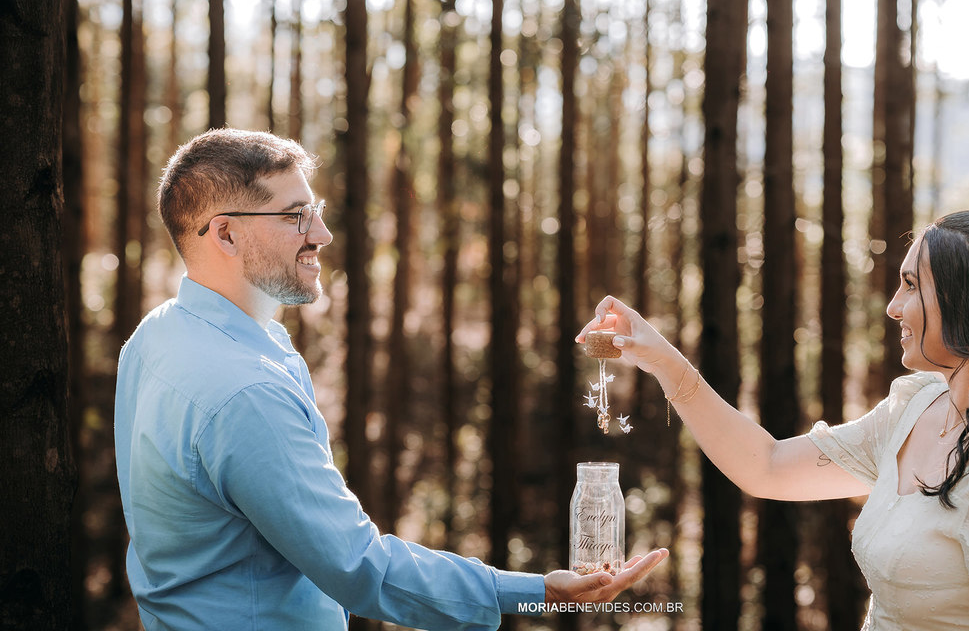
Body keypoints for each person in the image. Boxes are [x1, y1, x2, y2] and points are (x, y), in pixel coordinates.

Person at [115, 128, 667, 631]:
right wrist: (540, 590)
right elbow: (362, 569)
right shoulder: (245, 393)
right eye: (295, 216)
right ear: (227, 236)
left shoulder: (156, 337)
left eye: (318, 210)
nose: (323, 234)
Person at [577, 209, 969, 631]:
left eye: (911, 286)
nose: (893, 307)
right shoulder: (917, 408)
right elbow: (767, 466)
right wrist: (666, 362)